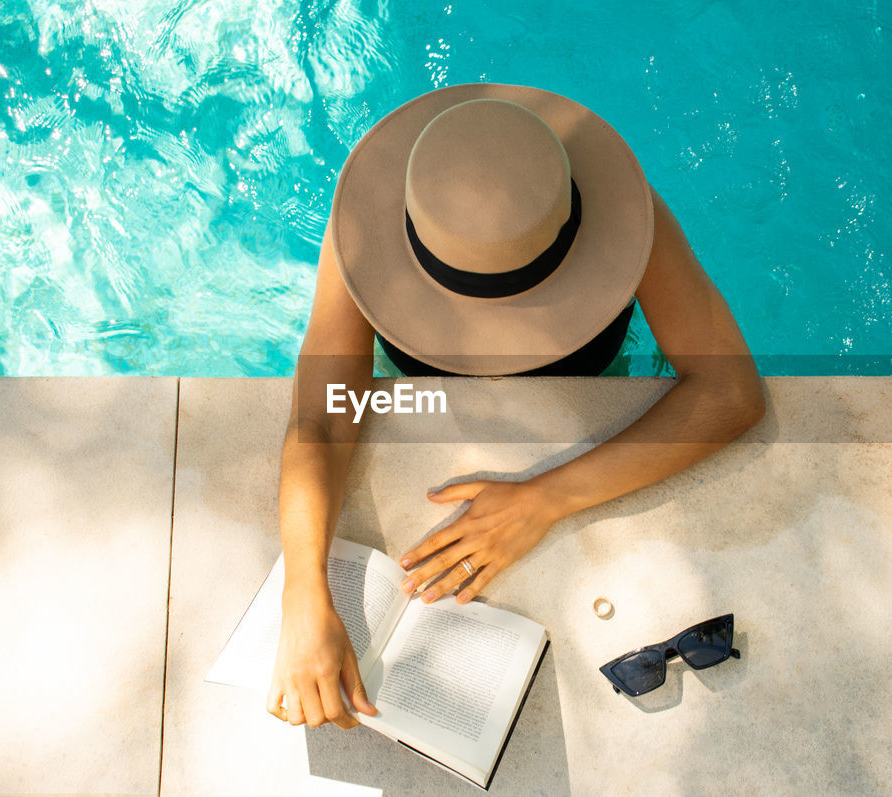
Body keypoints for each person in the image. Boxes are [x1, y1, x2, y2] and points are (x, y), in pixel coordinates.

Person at [266, 83, 765, 729]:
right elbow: (326, 413)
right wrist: (304, 594)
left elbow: (731, 391)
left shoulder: (627, 214)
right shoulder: (363, 226)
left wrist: (545, 497)